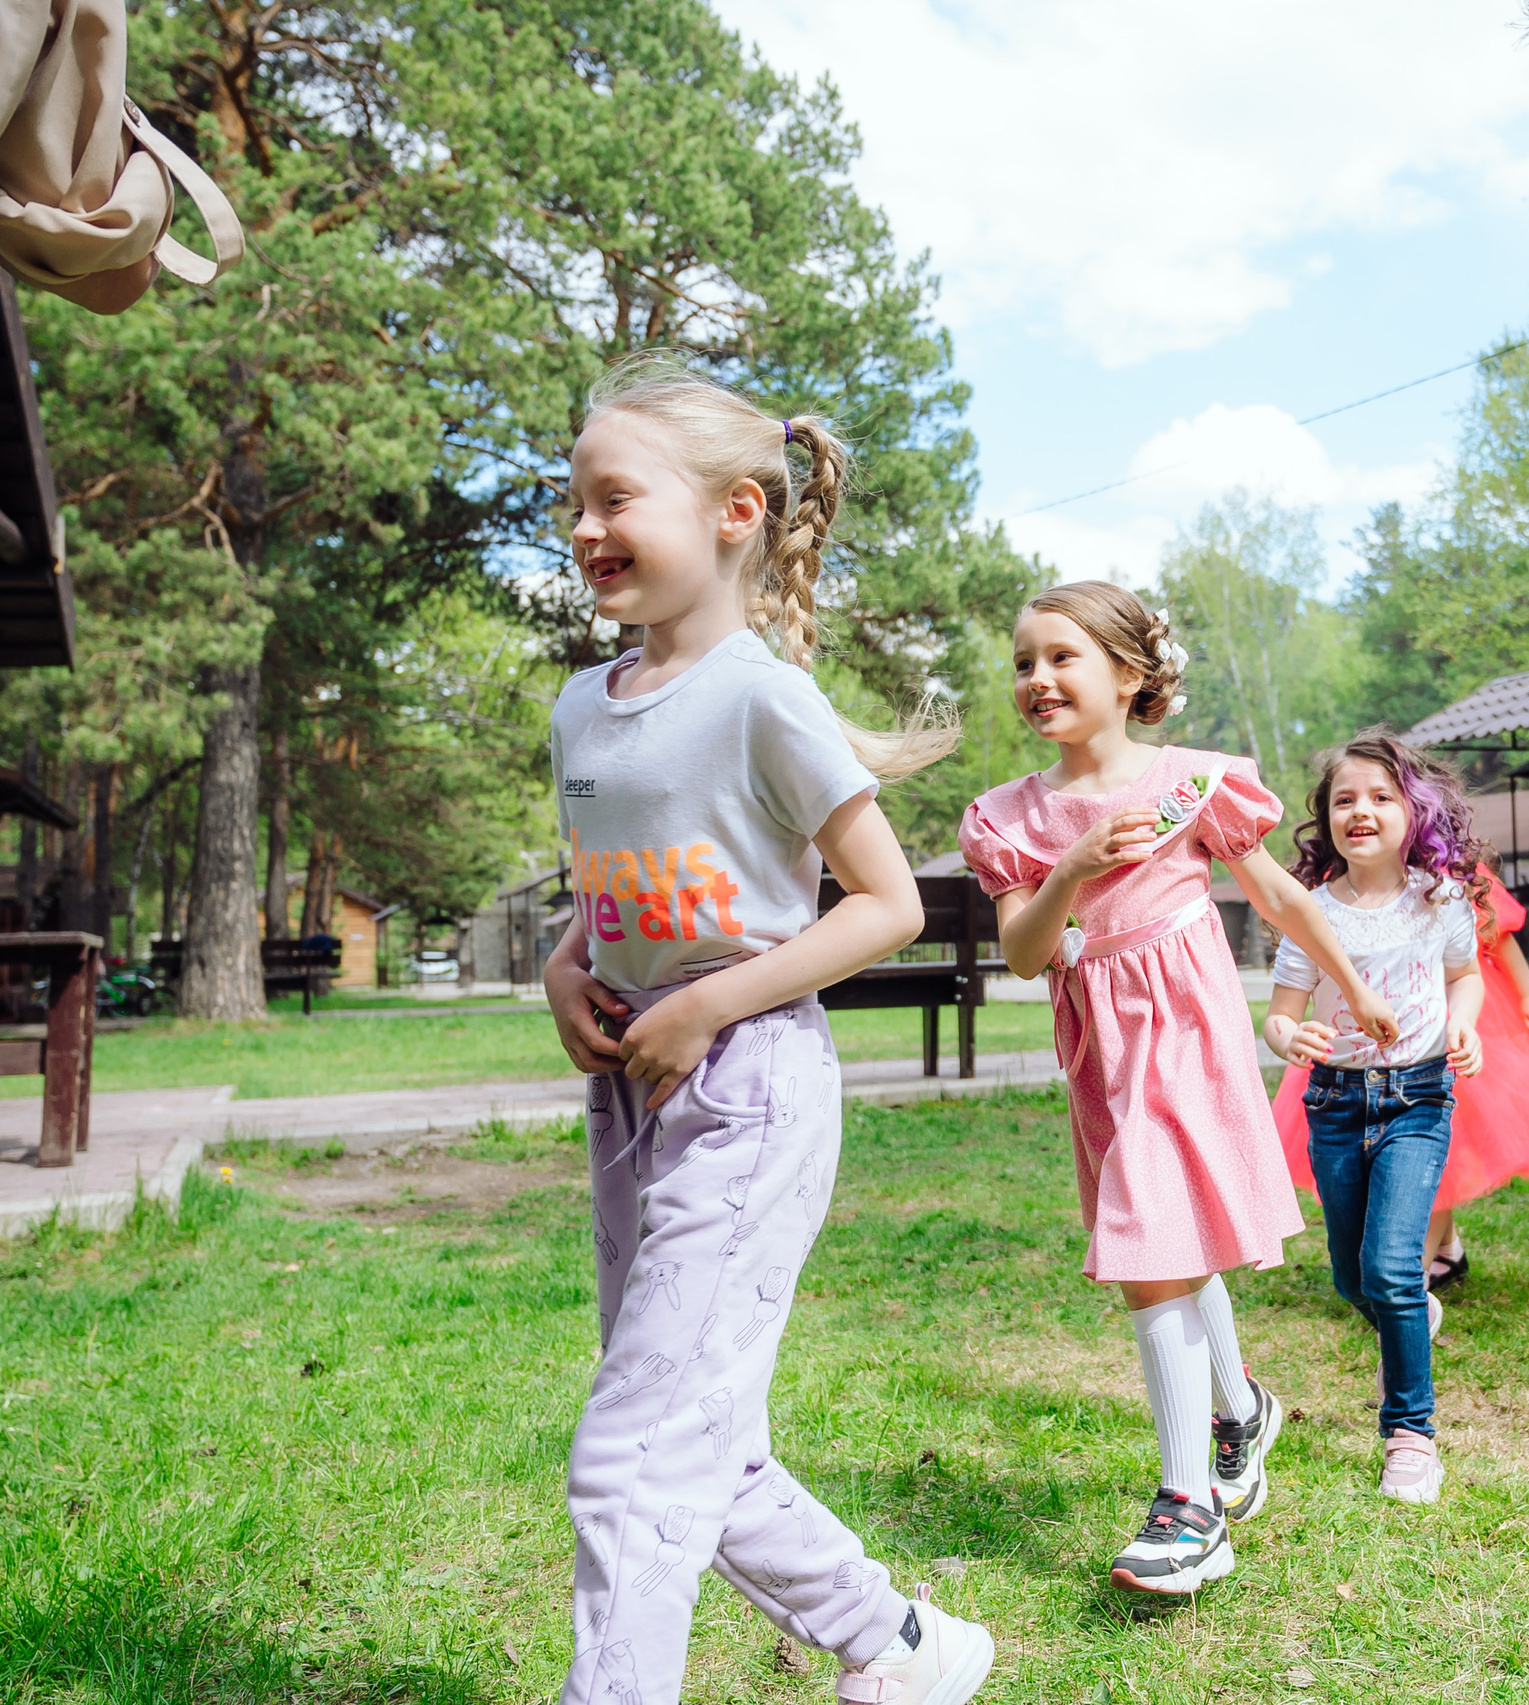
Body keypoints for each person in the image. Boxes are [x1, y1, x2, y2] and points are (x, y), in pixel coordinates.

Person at [541, 356, 993, 1705]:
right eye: (572, 502)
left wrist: (710, 1004)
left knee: (633, 1454)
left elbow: (889, 903)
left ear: (736, 511)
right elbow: (605, 895)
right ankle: (909, 1646)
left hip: (751, 1087)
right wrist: (568, 971)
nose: (582, 528)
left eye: (614, 497)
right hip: (633, 1091)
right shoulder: (582, 703)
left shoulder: (761, 696)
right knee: (696, 1432)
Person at [959, 583, 1397, 1594]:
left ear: (1129, 674)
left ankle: (1189, 1506)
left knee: (1151, 1247)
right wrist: (1066, 868)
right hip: (1098, 1043)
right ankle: (1239, 1408)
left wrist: (1354, 982)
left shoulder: (1191, 783)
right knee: (1170, 1231)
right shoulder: (1011, 816)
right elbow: (1027, 954)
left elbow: (1279, 894)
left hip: (1186, 1029)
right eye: (1023, 661)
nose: (1036, 678)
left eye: (1061, 657)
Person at [1264, 732, 1487, 1505]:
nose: (1361, 810)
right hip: (1333, 1103)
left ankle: (1411, 1436)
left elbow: (1466, 976)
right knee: (1353, 1279)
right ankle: (1411, 1312)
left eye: (1380, 796)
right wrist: (1294, 1037)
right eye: (1344, 799)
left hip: (1419, 1100)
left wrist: (1465, 1022)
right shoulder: (1310, 911)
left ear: (1411, 809)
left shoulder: (1439, 898)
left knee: (1393, 1267)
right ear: (1324, 818)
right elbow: (1279, 1015)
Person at [1273, 845, 1529, 1292]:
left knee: (1435, 1149)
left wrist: (1526, 996)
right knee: (1393, 1159)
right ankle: (1444, 1248)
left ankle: (1414, 1273)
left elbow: (1497, 934)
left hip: (1458, 1020)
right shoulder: (1350, 874)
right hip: (1367, 1036)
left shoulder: (1452, 870)